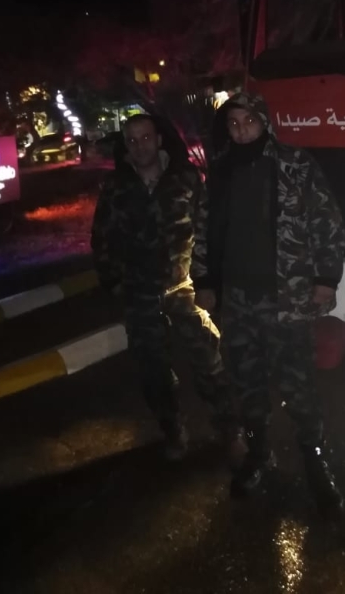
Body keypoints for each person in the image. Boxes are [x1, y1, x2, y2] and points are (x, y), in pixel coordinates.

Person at [193, 92, 345, 518]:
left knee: (298, 385)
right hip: (237, 299)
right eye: (233, 123)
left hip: (287, 297)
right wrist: (204, 281)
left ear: (264, 122)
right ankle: (259, 454)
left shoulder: (295, 164)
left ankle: (315, 462)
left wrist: (325, 278)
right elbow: (204, 229)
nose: (241, 130)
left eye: (249, 121)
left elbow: (326, 220)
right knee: (247, 382)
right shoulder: (220, 171)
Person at [91, 113, 241, 462]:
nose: (139, 146)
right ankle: (173, 430)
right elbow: (101, 237)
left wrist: (208, 281)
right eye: (132, 140)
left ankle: (231, 430)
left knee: (209, 360)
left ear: (158, 140)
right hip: (138, 292)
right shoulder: (116, 186)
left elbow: (206, 232)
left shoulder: (186, 179)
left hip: (185, 288)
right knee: (152, 369)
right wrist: (113, 282)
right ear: (125, 146)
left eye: (145, 137)